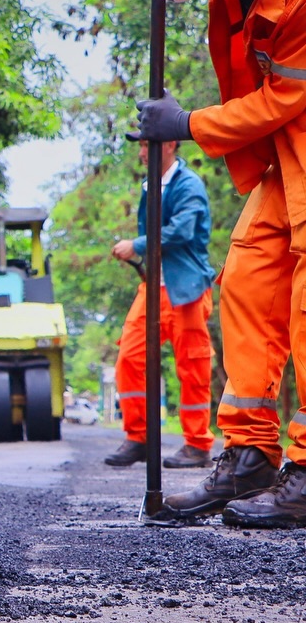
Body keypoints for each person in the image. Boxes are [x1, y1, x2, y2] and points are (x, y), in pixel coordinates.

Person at [134, 0, 306, 527]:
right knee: (249, 281)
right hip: (291, 154)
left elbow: (286, 97)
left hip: (295, 124)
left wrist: (190, 122)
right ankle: (249, 451)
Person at [103, 138, 216, 470]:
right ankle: (138, 437)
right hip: (153, 289)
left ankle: (197, 445)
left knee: (192, 367)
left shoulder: (188, 185)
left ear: (169, 144)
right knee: (128, 358)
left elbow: (181, 231)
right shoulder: (151, 184)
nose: (140, 153)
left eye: (146, 146)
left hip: (187, 290)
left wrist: (136, 244)